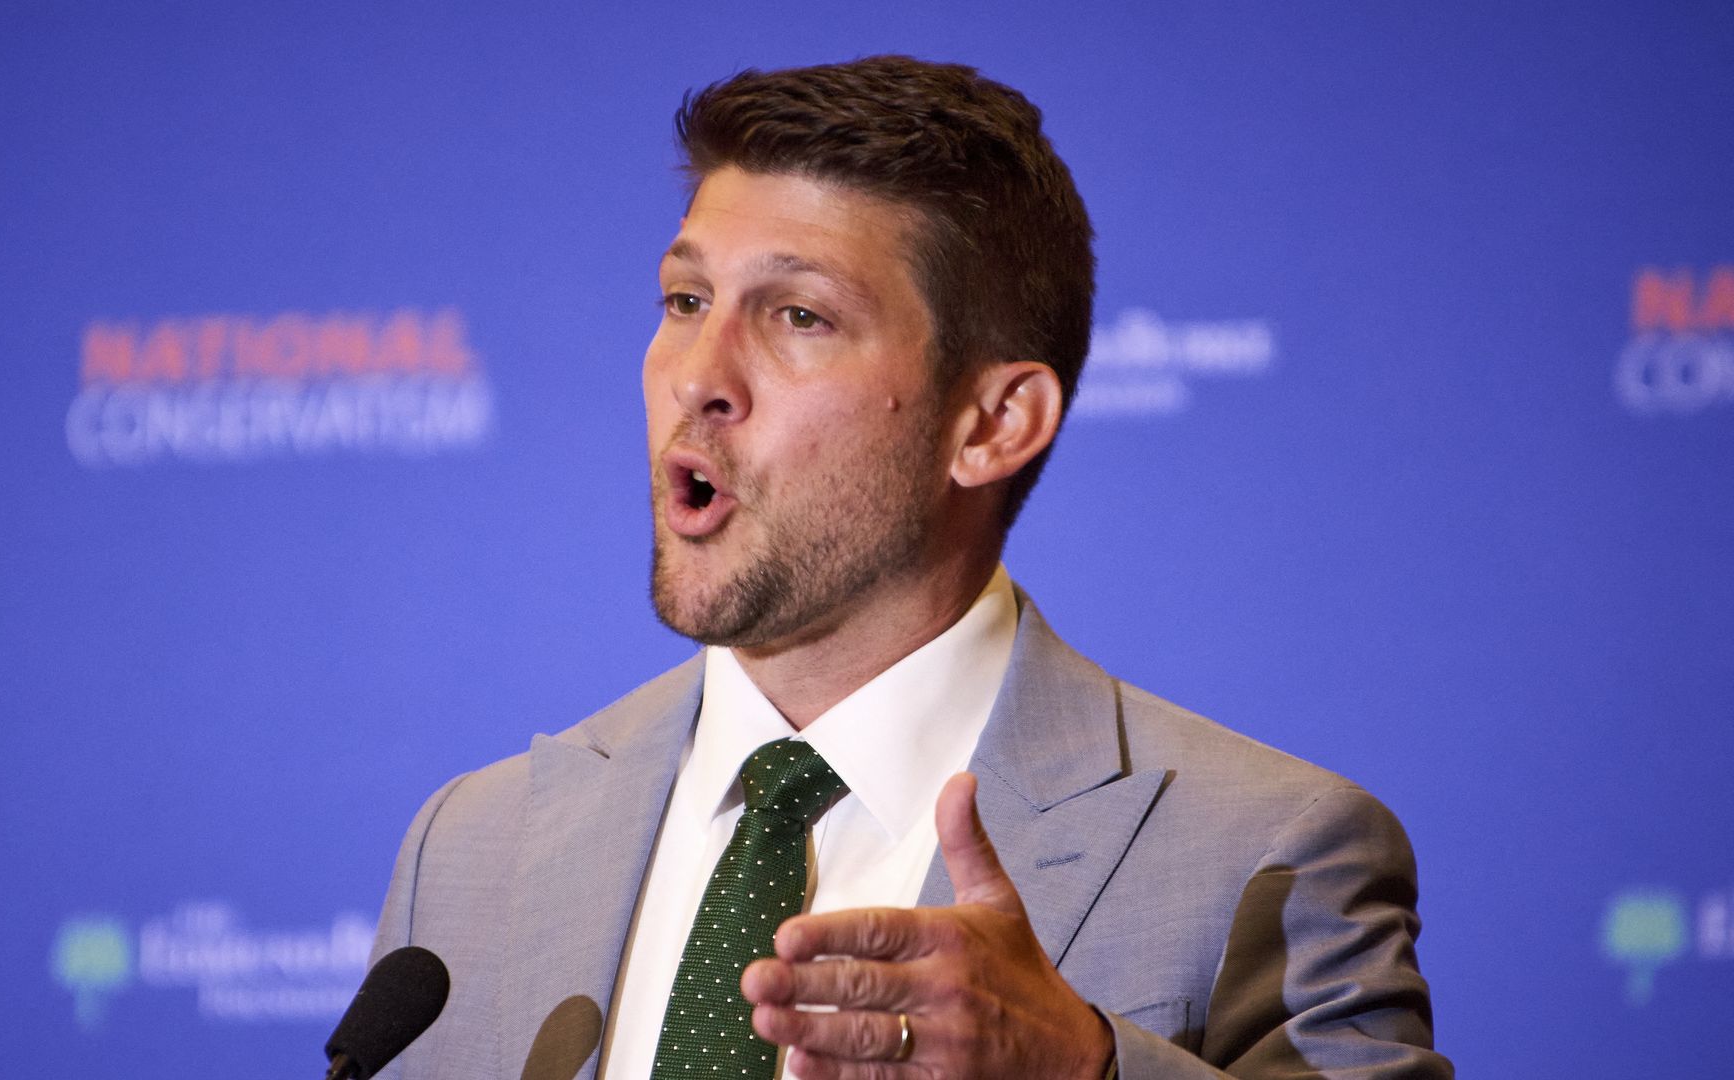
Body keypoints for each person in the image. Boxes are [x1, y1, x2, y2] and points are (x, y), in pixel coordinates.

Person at [371, 56, 1449, 1079]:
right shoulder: (470, 847)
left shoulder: (1270, 852)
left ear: (992, 423)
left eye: (799, 316)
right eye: (686, 301)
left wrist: (1084, 1065)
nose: (697, 377)